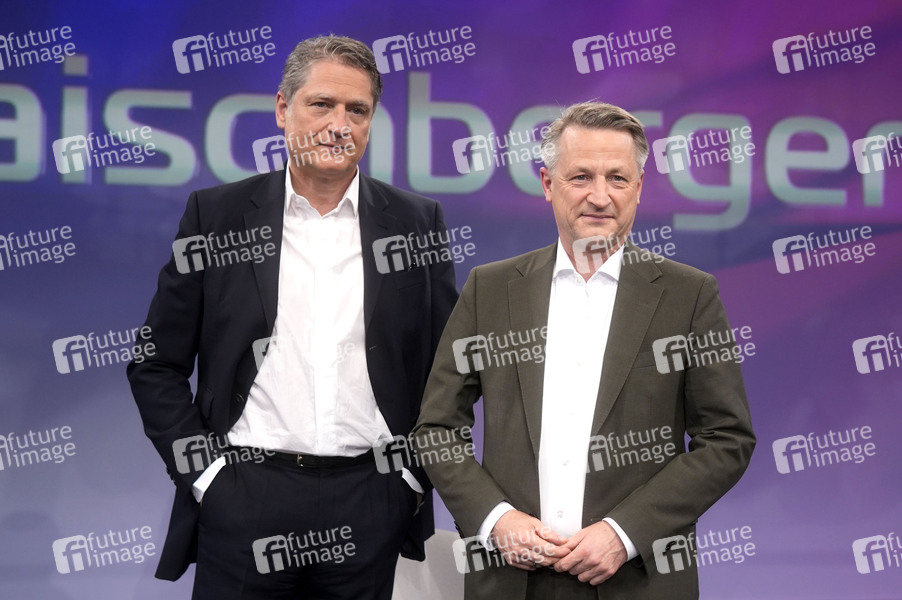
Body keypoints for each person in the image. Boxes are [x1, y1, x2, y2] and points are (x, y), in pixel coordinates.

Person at [127, 35, 458, 600]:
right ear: (283, 109)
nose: (339, 125)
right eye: (321, 104)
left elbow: (445, 375)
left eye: (357, 110)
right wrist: (206, 477)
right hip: (244, 496)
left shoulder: (416, 223)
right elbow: (155, 364)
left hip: (371, 499)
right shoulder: (217, 216)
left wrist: (408, 480)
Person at [412, 101, 755, 599]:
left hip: (635, 580)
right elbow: (437, 429)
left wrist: (624, 533)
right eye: (580, 177)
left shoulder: (690, 296)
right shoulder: (490, 289)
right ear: (548, 184)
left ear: (639, 187)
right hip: (511, 581)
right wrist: (496, 520)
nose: (600, 196)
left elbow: (726, 439)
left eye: (617, 178)